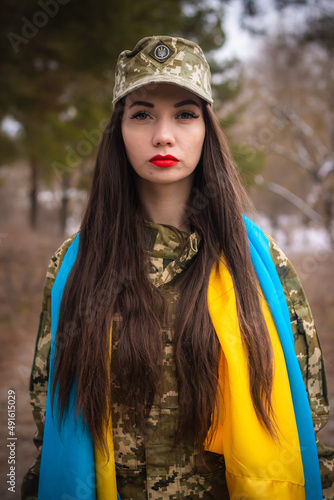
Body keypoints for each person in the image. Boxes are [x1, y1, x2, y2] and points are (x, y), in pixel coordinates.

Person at [22, 35, 334, 500]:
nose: (163, 135)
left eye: (185, 114)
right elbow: (47, 419)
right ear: (118, 131)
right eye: (142, 114)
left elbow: (306, 418)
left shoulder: (260, 264)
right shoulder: (75, 265)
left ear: (207, 129)